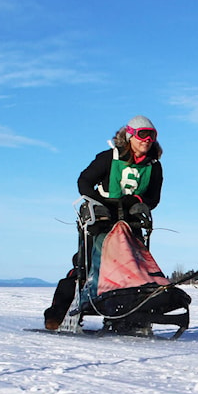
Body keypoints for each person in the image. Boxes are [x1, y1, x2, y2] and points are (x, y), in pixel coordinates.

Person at [43, 115, 164, 330]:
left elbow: (153, 198)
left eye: (151, 136)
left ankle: (128, 312)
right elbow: (84, 182)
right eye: (142, 134)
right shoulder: (109, 158)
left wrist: (138, 202)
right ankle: (58, 314)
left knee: (133, 266)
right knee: (85, 265)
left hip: (131, 223)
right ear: (130, 136)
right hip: (101, 221)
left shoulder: (154, 167)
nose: (147, 140)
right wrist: (101, 204)